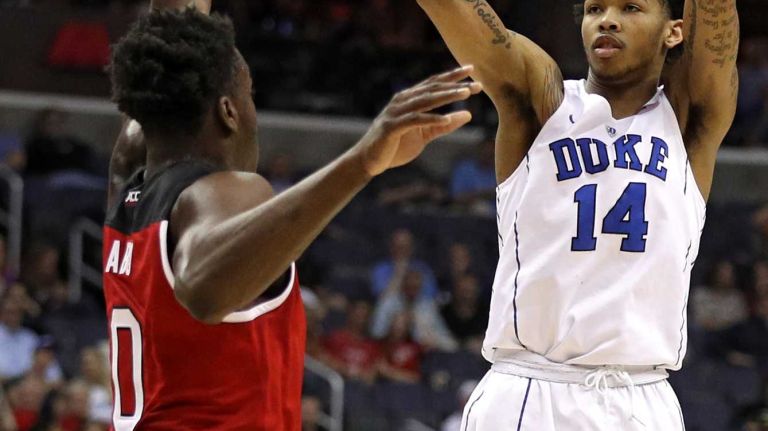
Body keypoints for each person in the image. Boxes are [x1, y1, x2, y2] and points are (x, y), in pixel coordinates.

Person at [104, 0, 481, 429]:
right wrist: (362, 162)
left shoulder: (127, 186)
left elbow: (164, 36)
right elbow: (204, 290)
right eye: (249, 95)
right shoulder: (226, 191)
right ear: (228, 111)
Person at [417, 0, 738, 428]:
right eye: (594, 9)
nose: (606, 19)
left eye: (630, 8)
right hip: (530, 391)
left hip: (642, 400)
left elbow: (717, 25)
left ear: (673, 32)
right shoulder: (542, 99)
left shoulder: (686, 119)